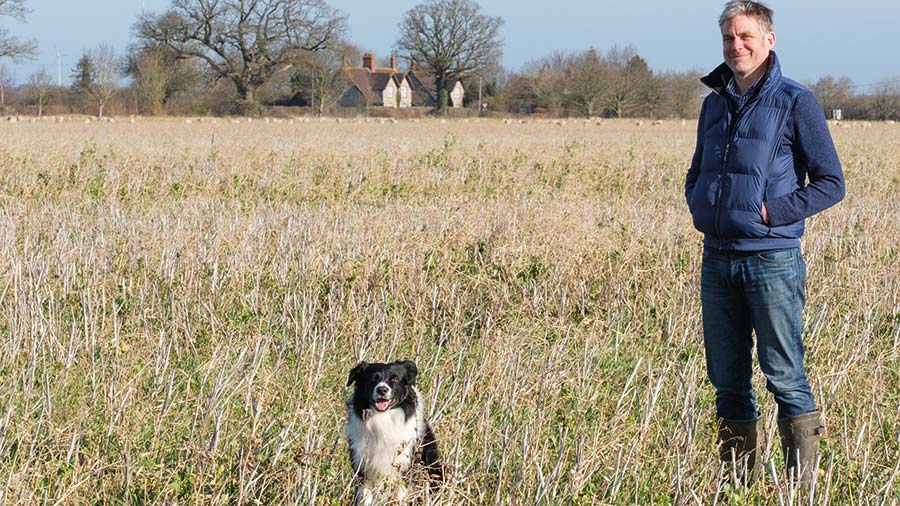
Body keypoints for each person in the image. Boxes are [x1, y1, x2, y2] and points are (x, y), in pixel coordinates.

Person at [684, 0, 845, 484]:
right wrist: (699, 203)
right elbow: (697, 171)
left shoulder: (797, 101)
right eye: (729, 39)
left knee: (785, 378)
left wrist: (771, 213)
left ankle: (799, 489)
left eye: (746, 37)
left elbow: (831, 182)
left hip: (771, 261)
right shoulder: (714, 103)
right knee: (727, 383)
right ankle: (739, 487)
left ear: (768, 40)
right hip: (717, 260)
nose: (736, 46)